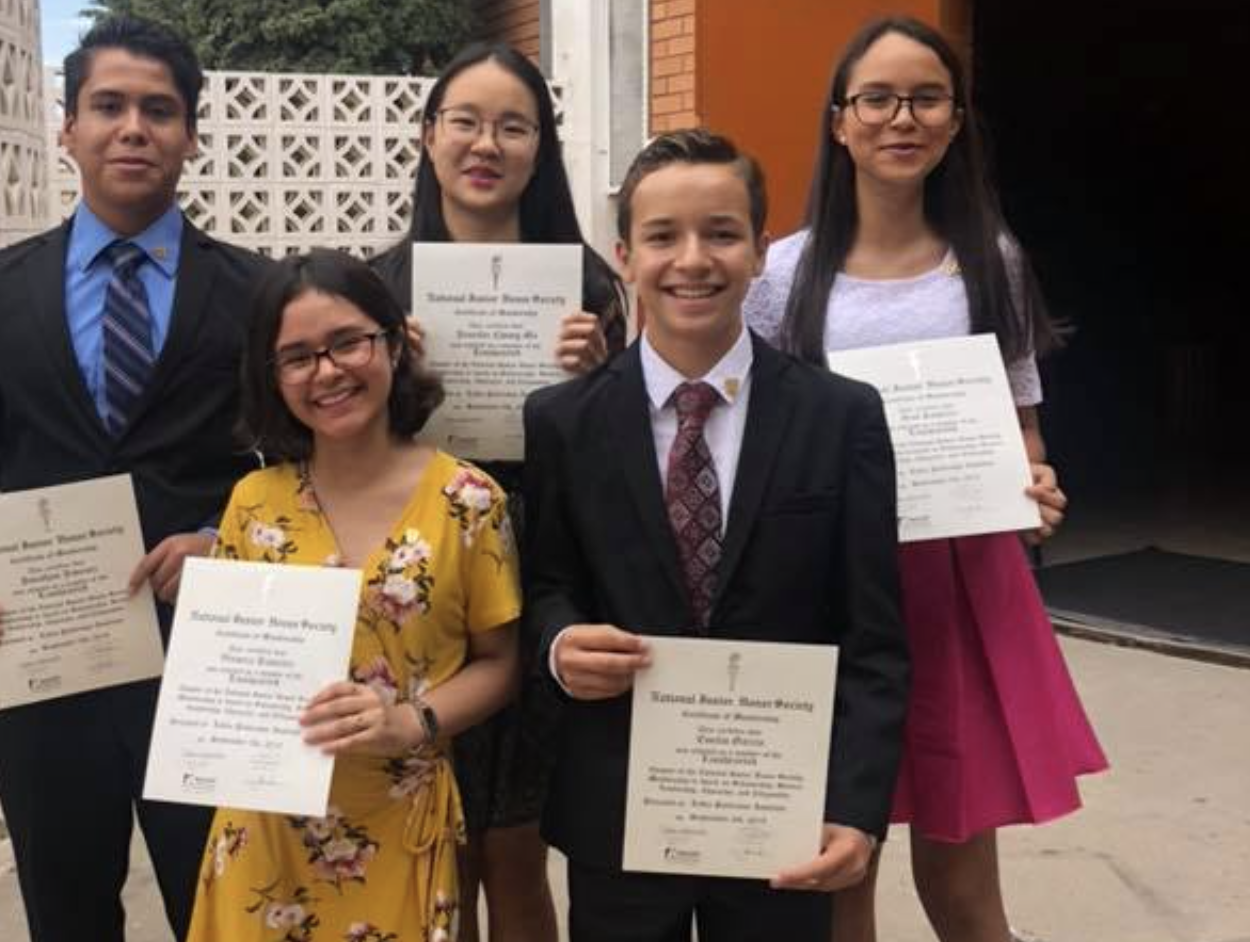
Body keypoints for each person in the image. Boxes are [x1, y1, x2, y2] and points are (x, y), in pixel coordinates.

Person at [741, 17, 1108, 942]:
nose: (901, 118)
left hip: (956, 583)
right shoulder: (784, 273)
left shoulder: (993, 260)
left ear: (955, 121)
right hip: (826, 588)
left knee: (963, 885)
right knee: (838, 877)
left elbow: (1021, 429)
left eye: (926, 97)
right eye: (878, 98)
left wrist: (1035, 483)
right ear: (839, 121)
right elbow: (753, 427)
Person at [522, 128, 909, 942]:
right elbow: (545, 584)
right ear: (624, 256)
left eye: (721, 233)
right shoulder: (562, 422)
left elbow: (873, 638)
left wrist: (856, 808)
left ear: (761, 252)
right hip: (621, 811)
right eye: (663, 236)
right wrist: (560, 647)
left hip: (780, 807)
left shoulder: (842, 419)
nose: (692, 259)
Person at [0, 17, 267, 942]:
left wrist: (231, 544)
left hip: (214, 661)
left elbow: (315, 476)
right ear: (67, 128)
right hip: (47, 667)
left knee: (225, 914)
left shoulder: (263, 293)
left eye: (158, 109)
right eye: (108, 106)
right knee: (66, 919)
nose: (133, 128)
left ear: (191, 132)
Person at [183, 249, 521, 942]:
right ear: (272, 378)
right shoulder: (253, 504)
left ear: (393, 345)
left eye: (348, 342)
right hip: (264, 836)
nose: (328, 371)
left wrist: (412, 722)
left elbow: (501, 663)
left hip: (401, 825)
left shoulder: (468, 501)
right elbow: (217, 677)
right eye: (298, 356)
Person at [371, 40, 627, 942]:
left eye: (513, 126)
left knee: (514, 847)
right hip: (420, 584)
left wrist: (600, 381)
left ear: (540, 147)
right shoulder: (380, 286)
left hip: (538, 578)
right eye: (467, 123)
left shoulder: (589, 285)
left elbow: (626, 457)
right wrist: (385, 380)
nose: (487, 144)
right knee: (427, 844)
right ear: (430, 136)